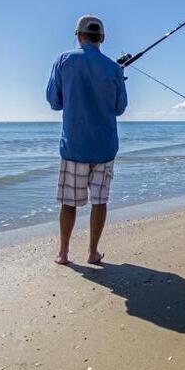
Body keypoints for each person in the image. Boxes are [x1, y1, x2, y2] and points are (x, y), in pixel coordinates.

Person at [46, 15, 127, 265]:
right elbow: (120, 108)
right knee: (99, 201)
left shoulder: (64, 60)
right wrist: (116, 78)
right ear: (101, 37)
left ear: (78, 35)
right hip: (104, 147)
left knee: (69, 203)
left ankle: (64, 253)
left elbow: (54, 102)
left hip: (74, 147)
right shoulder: (114, 68)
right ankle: (92, 252)